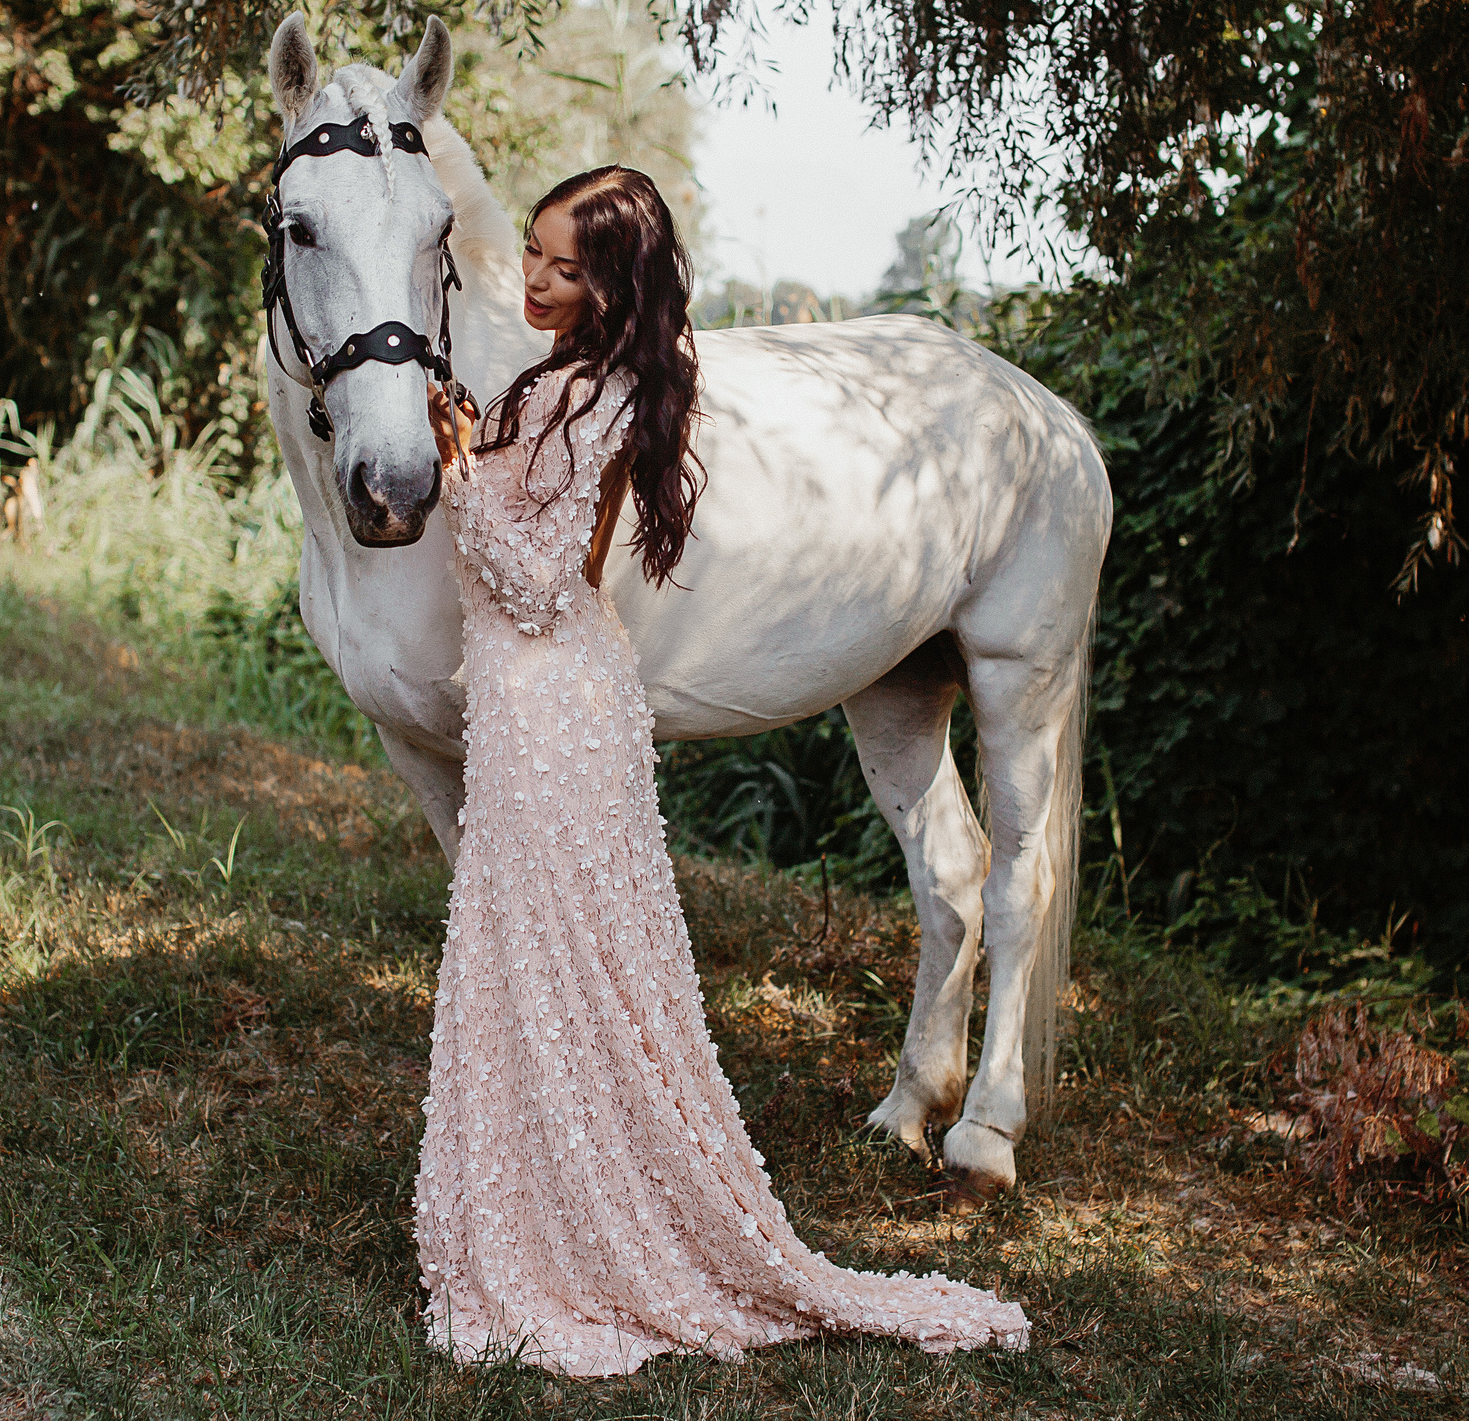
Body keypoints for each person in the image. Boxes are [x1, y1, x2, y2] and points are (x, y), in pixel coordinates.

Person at [414, 166, 1031, 1376]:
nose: (534, 281)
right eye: (531, 256)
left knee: (564, 970)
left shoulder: (609, 399)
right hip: (531, 705)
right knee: (525, 967)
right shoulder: (559, 380)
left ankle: (593, 1239)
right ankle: (538, 1213)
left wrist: (454, 478)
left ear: (615, 284)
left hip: (554, 704)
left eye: (564, 267)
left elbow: (544, 589)